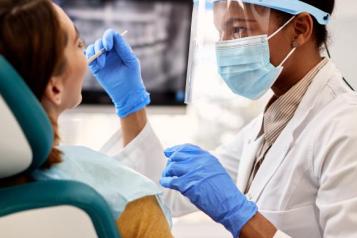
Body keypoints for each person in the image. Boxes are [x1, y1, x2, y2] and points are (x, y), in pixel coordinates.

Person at [88, 0, 357, 237]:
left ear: (299, 29)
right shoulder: (268, 125)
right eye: (221, 33)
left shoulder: (345, 126)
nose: (225, 46)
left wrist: (242, 216)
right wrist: (130, 103)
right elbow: (166, 195)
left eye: (239, 30)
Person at [0, 1, 173, 237]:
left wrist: (130, 106)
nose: (86, 50)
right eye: (78, 44)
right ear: (55, 88)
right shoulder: (129, 204)